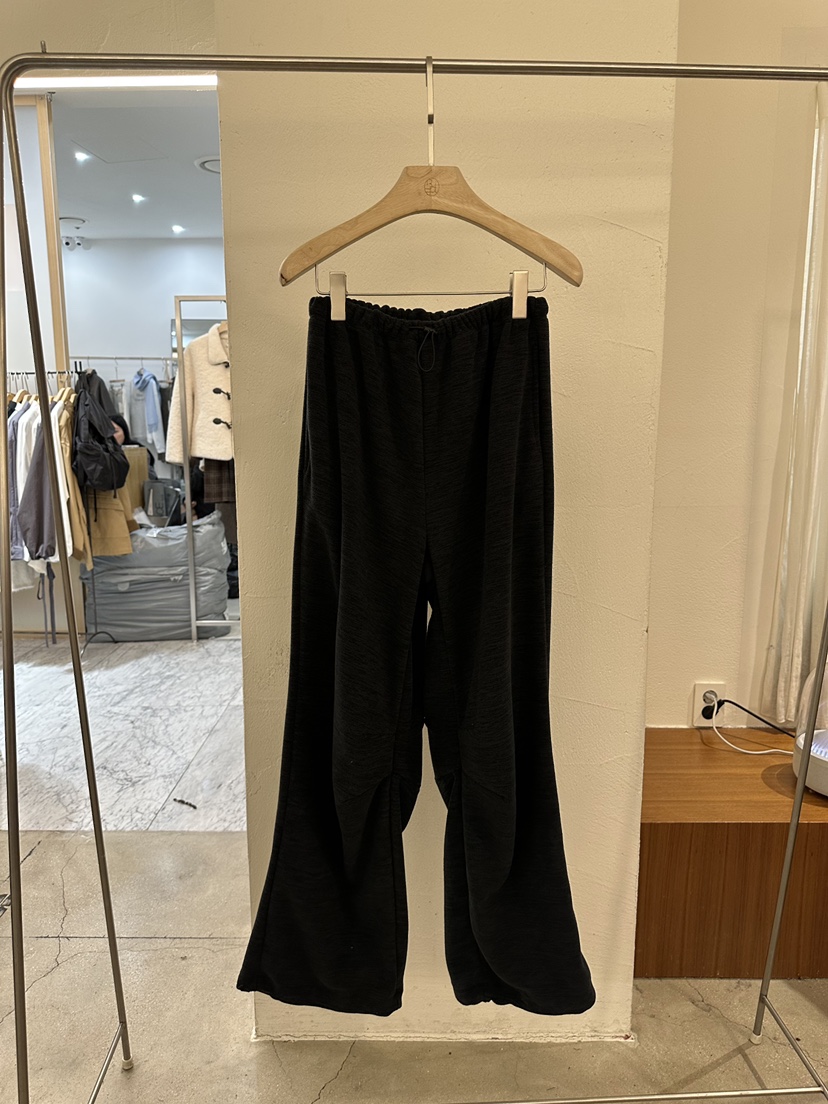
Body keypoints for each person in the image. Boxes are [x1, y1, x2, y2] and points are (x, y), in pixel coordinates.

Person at [110, 414, 157, 479]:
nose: (111, 436)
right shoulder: (103, 452)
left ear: (124, 432)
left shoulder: (138, 450)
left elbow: (151, 478)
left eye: (115, 431)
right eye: (108, 432)